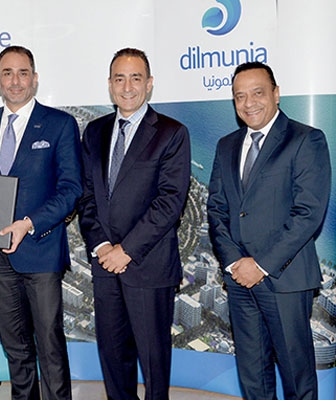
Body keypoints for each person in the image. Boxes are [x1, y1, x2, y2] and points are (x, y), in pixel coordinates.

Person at [207, 62, 331, 400]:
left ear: (276, 94)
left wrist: (259, 264)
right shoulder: (226, 145)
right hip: (239, 280)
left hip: (284, 280)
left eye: (258, 93)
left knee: (297, 378)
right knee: (252, 377)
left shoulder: (306, 140)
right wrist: (235, 262)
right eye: (240, 96)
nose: (249, 103)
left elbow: (308, 214)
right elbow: (216, 209)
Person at [0, 45, 82, 400]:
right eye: (7, 73)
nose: (15, 81)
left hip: (40, 251)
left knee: (49, 345)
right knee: (15, 348)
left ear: (35, 78)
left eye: (22, 73)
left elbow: (71, 189)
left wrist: (29, 223)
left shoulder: (60, 124)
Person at [78, 48, 191, 400]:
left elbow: (170, 202)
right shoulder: (94, 131)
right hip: (104, 266)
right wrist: (102, 246)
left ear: (149, 83)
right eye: (120, 78)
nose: (127, 87)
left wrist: (125, 250)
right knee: (114, 361)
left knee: (154, 366)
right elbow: (86, 196)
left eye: (136, 78)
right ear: (110, 84)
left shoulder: (171, 133)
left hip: (148, 266)